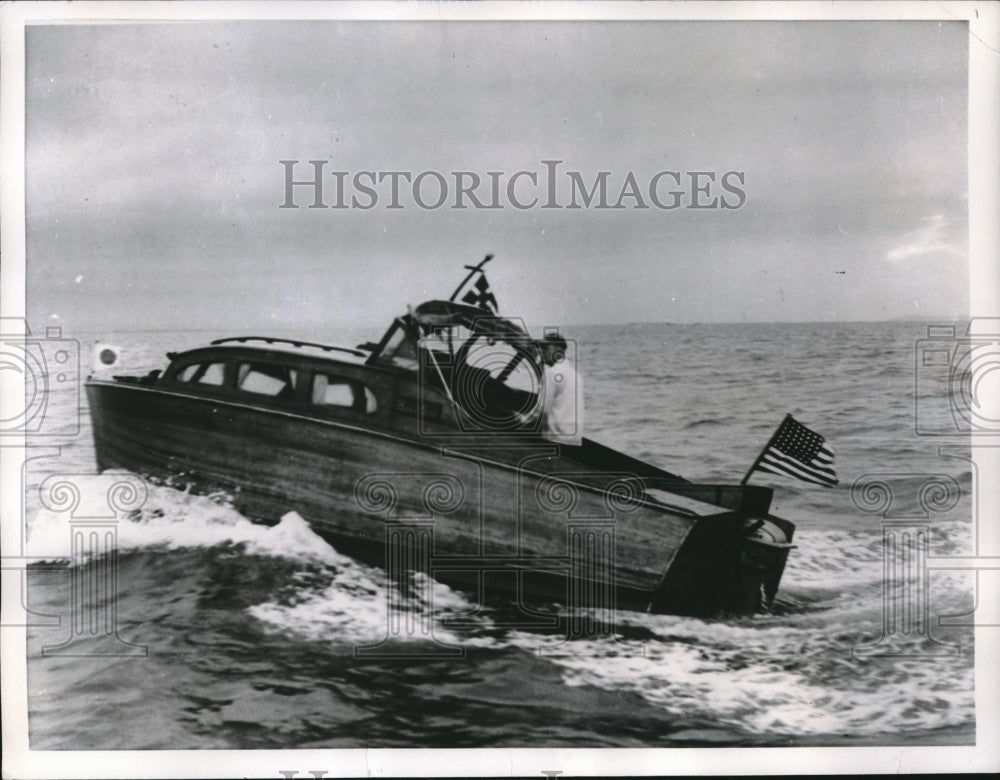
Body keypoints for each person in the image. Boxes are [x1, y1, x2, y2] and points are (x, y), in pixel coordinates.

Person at [536, 333, 584, 446]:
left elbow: (542, 410)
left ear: (558, 350)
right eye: (540, 348)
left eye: (545, 348)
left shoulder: (551, 373)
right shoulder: (575, 374)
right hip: (574, 439)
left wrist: (521, 419)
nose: (541, 352)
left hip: (555, 439)